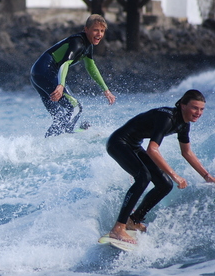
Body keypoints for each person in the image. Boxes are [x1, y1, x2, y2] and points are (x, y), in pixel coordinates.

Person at [106, 89, 215, 243]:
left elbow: (187, 152)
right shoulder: (168, 118)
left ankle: (133, 220)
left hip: (133, 146)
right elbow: (152, 149)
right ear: (183, 106)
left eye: (201, 109)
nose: (198, 112)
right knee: (143, 177)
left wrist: (207, 176)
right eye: (194, 108)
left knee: (165, 184)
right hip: (118, 143)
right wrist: (175, 175)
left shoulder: (184, 124)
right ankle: (118, 228)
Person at [30, 14, 116, 137]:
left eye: (102, 31)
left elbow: (91, 67)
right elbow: (65, 63)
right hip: (46, 73)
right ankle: (67, 137)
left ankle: (46, 144)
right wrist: (60, 85)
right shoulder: (78, 43)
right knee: (75, 107)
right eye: (96, 30)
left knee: (60, 118)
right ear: (86, 29)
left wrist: (106, 90)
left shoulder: (87, 45)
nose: (99, 34)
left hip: (37, 75)